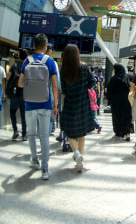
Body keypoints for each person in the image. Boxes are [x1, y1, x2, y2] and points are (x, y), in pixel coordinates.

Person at [18, 34, 58, 180]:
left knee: (31, 134)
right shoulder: (50, 62)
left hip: (29, 105)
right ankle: (45, 168)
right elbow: (54, 84)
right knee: (44, 137)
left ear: (34, 46)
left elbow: (20, 83)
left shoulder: (26, 61)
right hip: (45, 104)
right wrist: (55, 104)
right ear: (46, 47)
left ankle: (34, 159)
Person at [59, 44, 96, 172]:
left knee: (70, 133)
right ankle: (80, 159)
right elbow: (93, 82)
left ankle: (77, 154)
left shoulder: (63, 70)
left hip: (70, 104)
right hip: (83, 104)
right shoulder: (84, 67)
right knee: (81, 134)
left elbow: (63, 89)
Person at [106, 63, 134, 140]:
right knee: (127, 116)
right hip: (126, 101)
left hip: (116, 102)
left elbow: (109, 91)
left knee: (117, 117)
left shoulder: (113, 79)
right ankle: (127, 133)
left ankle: (119, 132)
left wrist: (109, 99)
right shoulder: (127, 77)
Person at [8, 50, 27, 140]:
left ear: (19, 57)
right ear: (26, 58)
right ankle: (24, 134)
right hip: (24, 94)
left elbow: (8, 77)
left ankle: (15, 130)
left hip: (15, 94)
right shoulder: (27, 67)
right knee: (23, 114)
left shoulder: (14, 66)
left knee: (12, 112)